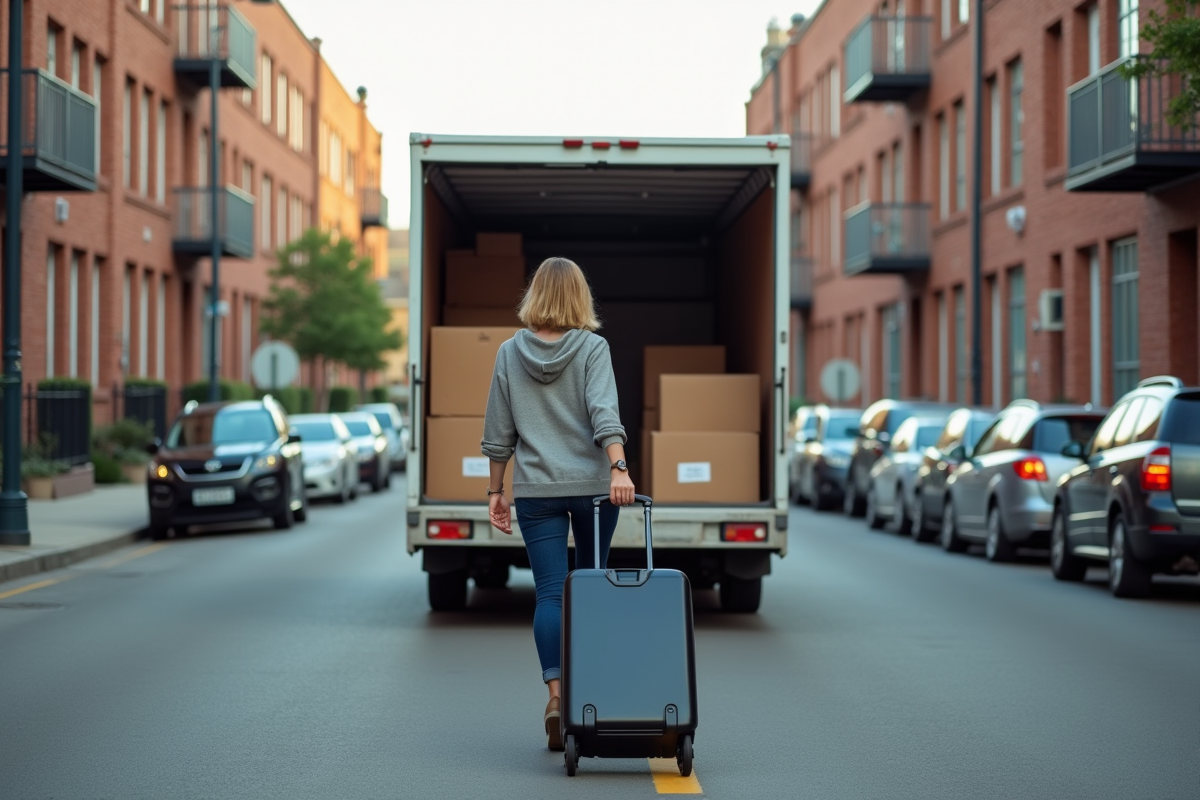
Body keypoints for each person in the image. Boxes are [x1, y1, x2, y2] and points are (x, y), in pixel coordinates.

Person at [481, 256, 635, 752]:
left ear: (535, 297)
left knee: (550, 593)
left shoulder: (508, 352)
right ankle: (589, 696)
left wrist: (495, 492)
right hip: (593, 488)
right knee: (591, 586)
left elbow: (498, 431)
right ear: (579, 298)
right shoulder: (593, 348)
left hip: (536, 490)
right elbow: (603, 410)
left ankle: (555, 695)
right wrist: (618, 467)